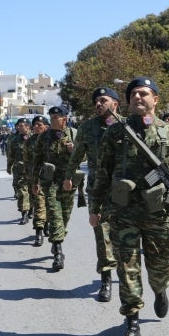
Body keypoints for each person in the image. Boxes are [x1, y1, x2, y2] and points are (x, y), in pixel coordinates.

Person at [90, 77, 169, 336]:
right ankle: (132, 324)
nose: (138, 97)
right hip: (123, 214)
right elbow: (102, 174)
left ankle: (160, 289)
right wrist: (95, 209)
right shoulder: (115, 133)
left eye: (144, 93)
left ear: (155, 99)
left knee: (159, 267)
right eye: (133, 94)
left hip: (159, 214)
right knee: (127, 268)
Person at [63, 87, 121, 302]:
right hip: (98, 189)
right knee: (101, 233)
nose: (98, 104)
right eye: (96, 100)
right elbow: (77, 155)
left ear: (115, 104)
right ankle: (106, 279)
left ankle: (127, 276)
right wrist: (68, 176)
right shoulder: (87, 128)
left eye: (103, 100)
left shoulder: (128, 125)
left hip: (125, 189)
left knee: (124, 235)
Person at [32, 106, 76, 271]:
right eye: (51, 117)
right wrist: (34, 182)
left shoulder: (74, 135)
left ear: (65, 118)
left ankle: (58, 238)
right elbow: (37, 160)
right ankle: (58, 252)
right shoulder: (44, 138)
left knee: (65, 215)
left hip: (69, 182)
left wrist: (75, 150)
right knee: (54, 213)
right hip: (50, 183)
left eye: (56, 117)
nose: (52, 120)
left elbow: (85, 156)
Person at [23, 115, 49, 245]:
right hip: (36, 177)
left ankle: (47, 224)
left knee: (50, 205)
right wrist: (30, 178)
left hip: (52, 178)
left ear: (46, 126)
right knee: (39, 204)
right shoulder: (29, 142)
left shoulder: (53, 139)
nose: (37, 127)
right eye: (35, 125)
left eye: (40, 124)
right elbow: (27, 161)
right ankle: (39, 231)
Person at [6, 118, 31, 225]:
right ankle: (24, 214)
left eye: (21, 125)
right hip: (19, 170)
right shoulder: (15, 139)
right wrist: (9, 166)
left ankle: (32, 209)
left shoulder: (36, 138)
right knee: (22, 192)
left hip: (34, 171)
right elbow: (10, 154)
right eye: (18, 126)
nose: (19, 127)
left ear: (28, 127)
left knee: (34, 192)